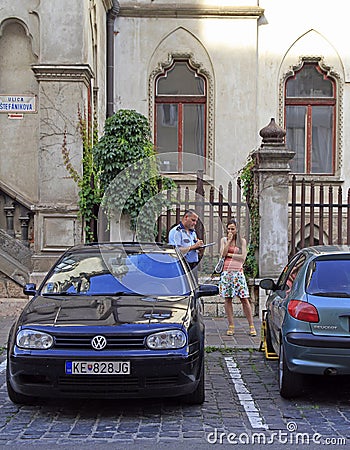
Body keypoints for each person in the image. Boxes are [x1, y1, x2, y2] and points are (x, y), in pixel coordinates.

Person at [218, 219, 256, 337]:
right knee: (228, 299)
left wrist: (230, 255)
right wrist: (229, 241)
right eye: (228, 229)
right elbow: (222, 254)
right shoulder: (224, 240)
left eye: (232, 229)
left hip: (238, 272)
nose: (230, 231)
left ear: (237, 229)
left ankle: (251, 325)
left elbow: (243, 258)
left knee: (244, 299)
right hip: (227, 272)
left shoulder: (242, 241)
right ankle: (231, 325)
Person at [169, 210, 204, 275]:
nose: (195, 223)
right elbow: (176, 251)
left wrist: (200, 247)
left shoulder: (193, 232)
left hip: (193, 266)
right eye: (193, 220)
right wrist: (194, 247)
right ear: (186, 217)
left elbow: (194, 248)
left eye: (196, 221)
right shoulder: (176, 232)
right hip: (181, 266)